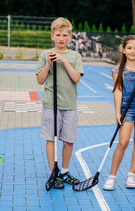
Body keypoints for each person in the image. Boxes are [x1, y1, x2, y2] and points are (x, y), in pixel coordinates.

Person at [36, 17, 83, 189]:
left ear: (70, 36)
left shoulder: (75, 56)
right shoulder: (45, 55)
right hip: (51, 104)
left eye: (64, 35)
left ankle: (64, 171)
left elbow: (76, 78)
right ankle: (53, 173)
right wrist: (48, 63)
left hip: (69, 105)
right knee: (51, 138)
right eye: (58, 35)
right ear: (52, 36)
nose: (61, 38)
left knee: (68, 140)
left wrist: (63, 61)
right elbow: (40, 80)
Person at [103, 35, 135, 191]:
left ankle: (131, 174)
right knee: (123, 142)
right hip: (127, 108)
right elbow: (117, 91)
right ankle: (112, 176)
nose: (133, 51)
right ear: (123, 50)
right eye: (129, 48)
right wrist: (117, 112)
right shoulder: (118, 70)